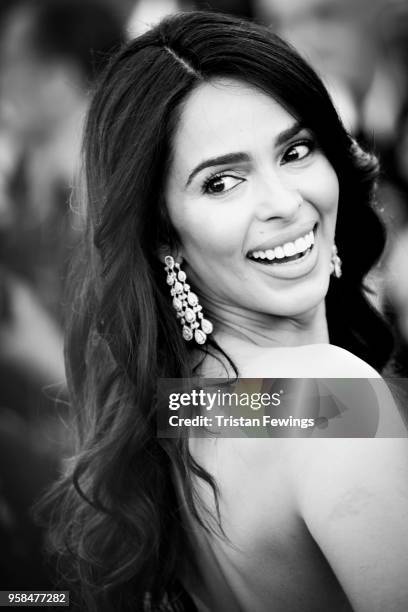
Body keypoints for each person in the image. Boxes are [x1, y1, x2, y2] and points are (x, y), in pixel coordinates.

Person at [45, 11, 408, 612]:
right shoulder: (330, 394)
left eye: (296, 149)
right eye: (221, 183)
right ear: (163, 233)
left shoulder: (189, 402)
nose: (286, 202)